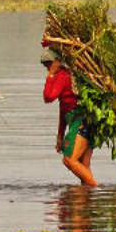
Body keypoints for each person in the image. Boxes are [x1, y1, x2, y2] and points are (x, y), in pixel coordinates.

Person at [42, 47, 98, 187]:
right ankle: (87, 203)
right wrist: (60, 135)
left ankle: (98, 190)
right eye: (46, 65)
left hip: (81, 121)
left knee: (69, 160)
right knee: (83, 166)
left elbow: (48, 97)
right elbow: (63, 109)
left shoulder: (62, 75)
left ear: (56, 62)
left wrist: (50, 75)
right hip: (83, 121)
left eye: (49, 64)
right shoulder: (65, 75)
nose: (47, 67)